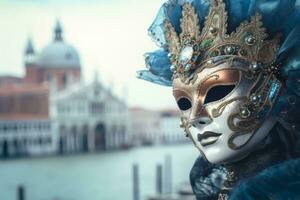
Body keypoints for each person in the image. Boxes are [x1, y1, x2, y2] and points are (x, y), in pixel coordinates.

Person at [137, 0, 300, 199]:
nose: (195, 117)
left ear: (277, 87)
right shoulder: (213, 186)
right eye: (184, 102)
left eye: (217, 91)